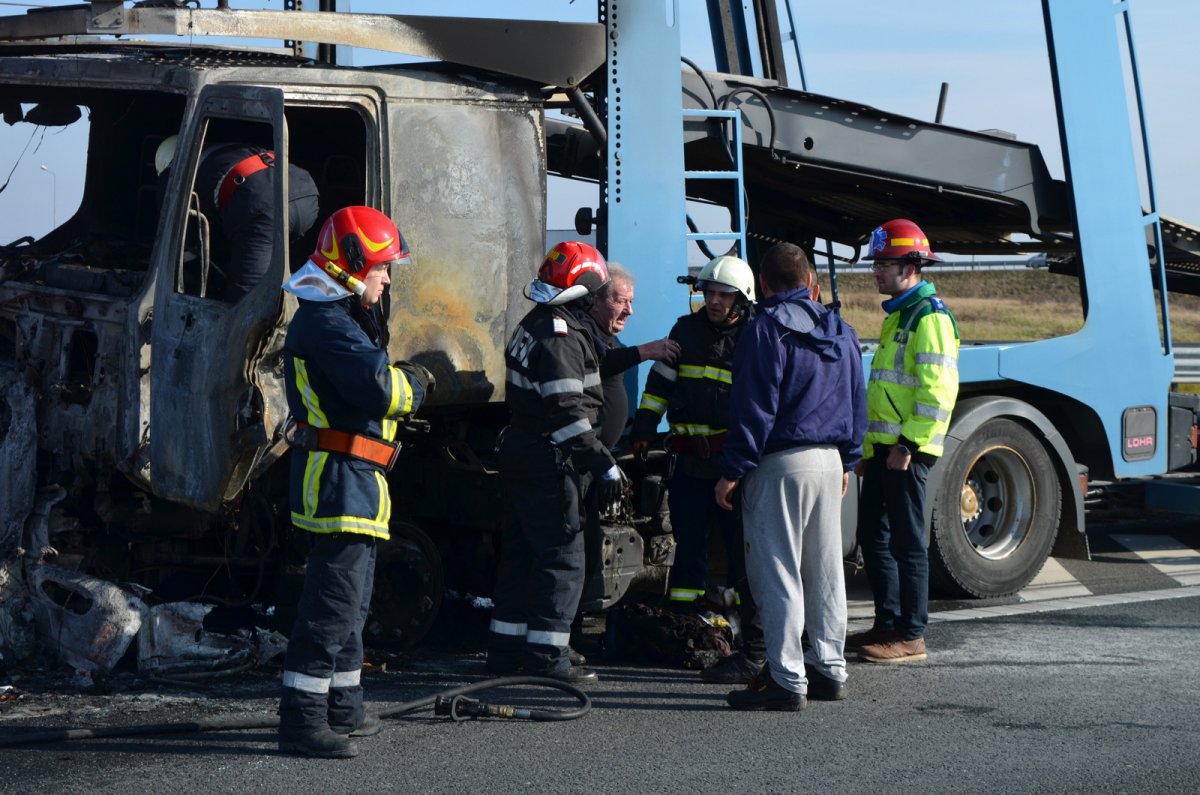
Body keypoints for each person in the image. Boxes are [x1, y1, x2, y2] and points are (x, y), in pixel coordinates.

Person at [277, 206, 431, 759]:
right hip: (339, 480)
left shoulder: (340, 315)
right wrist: (417, 382)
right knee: (331, 606)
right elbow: (383, 391)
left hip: (357, 479)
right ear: (352, 264)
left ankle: (343, 707)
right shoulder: (327, 323)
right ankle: (302, 722)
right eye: (382, 269)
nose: (387, 279)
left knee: (354, 602)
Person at [715, 242, 865, 711]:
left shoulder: (766, 329)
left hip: (780, 463)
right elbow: (858, 398)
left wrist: (733, 469)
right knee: (825, 571)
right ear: (810, 283)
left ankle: (785, 678)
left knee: (777, 570)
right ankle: (829, 668)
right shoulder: (841, 329)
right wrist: (849, 459)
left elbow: (754, 407)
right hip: (829, 461)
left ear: (763, 284)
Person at [485, 241, 620, 684]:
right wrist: (603, 464)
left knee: (522, 555)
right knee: (562, 558)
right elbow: (565, 413)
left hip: (523, 454)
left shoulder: (535, 323)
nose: (602, 300)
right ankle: (547, 657)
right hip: (548, 462)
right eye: (599, 293)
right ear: (582, 294)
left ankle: (507, 649)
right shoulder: (562, 338)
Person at [849, 218, 959, 665]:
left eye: (884, 262)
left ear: (911, 265)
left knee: (908, 544)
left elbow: (938, 392)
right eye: (876, 262)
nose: (876, 270)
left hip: (904, 454)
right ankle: (886, 624)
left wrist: (908, 446)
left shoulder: (928, 316)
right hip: (883, 450)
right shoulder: (902, 313)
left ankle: (911, 636)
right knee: (873, 538)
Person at [630, 255, 755, 617]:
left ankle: (743, 625)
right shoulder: (684, 330)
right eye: (709, 293)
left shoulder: (754, 337)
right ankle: (686, 620)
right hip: (688, 463)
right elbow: (659, 388)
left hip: (733, 463)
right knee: (688, 545)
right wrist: (644, 428)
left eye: (724, 295)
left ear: (742, 298)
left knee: (740, 547)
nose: (714, 301)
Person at [155, 135, 320, 302]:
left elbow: (183, 240)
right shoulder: (221, 151)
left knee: (246, 302)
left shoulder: (174, 173)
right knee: (292, 269)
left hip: (263, 208)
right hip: (306, 193)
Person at [581, 262, 680, 449]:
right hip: (584, 454)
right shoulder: (581, 332)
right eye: (620, 301)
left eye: (631, 302)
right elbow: (597, 363)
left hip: (601, 453)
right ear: (596, 301)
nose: (629, 311)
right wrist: (647, 351)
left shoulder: (608, 335)